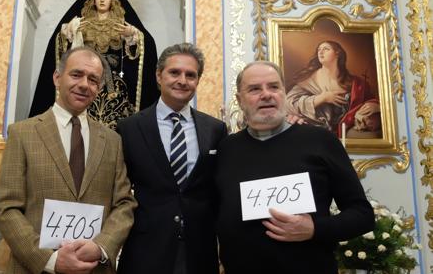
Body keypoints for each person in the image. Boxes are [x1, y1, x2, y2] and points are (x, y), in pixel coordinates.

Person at [216, 61, 374, 274]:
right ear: (240, 100)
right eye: (254, 89)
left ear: (284, 92)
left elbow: (362, 215)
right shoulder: (227, 149)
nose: (266, 94)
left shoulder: (321, 141)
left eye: (274, 87)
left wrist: (314, 229)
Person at [0, 46, 136, 274]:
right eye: (76, 74)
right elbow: (7, 207)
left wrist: (101, 247)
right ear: (57, 78)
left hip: (93, 268)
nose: (84, 84)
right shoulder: (22, 133)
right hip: (36, 269)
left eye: (93, 80)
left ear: (99, 88)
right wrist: (49, 261)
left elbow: (124, 204)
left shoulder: (112, 140)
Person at [116, 43, 228, 274]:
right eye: (174, 72)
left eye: (191, 75)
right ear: (159, 75)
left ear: (198, 80)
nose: (182, 80)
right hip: (145, 249)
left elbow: (218, 191)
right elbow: (119, 190)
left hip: (199, 252)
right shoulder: (129, 128)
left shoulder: (216, 129)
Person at [29, 0, 159, 129]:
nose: (102, 0)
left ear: (113, 1)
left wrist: (133, 36)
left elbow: (143, 49)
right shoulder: (82, 22)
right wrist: (69, 33)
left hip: (114, 88)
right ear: (93, 0)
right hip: (86, 83)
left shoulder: (121, 24)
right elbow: (63, 47)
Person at [285, 40, 379, 138]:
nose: (320, 52)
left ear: (337, 53)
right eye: (319, 50)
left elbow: (368, 99)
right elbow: (289, 104)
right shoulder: (308, 80)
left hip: (346, 129)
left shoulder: (353, 82)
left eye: (326, 49)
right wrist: (322, 98)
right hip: (314, 129)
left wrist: (374, 105)